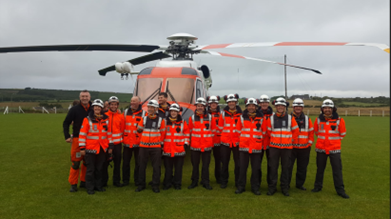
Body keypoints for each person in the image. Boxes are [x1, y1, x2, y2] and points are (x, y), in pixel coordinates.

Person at [311, 99, 349, 199]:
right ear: (322, 109)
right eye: (325, 108)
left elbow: (342, 134)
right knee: (320, 170)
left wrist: (333, 142)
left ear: (333, 109)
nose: (327, 110)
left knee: (337, 171)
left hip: (334, 150)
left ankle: (340, 190)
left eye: (329, 108)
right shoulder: (318, 120)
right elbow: (316, 132)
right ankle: (317, 187)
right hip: (321, 149)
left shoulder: (340, 120)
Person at [79, 99, 113, 195]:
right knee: (90, 169)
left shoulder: (106, 119)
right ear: (93, 108)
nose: (97, 108)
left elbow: (109, 134)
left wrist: (110, 146)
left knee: (99, 169)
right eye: (95, 106)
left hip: (102, 148)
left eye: (99, 107)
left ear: (102, 108)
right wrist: (82, 148)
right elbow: (82, 135)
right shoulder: (87, 119)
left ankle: (98, 186)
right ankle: (90, 187)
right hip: (90, 149)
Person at [266, 97, 299, 196]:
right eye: (278, 106)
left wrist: (289, 140)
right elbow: (268, 132)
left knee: (286, 168)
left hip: (287, 148)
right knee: (273, 168)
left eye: (282, 106)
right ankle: (272, 187)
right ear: (275, 107)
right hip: (274, 148)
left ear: (285, 107)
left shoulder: (290, 118)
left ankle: (284, 188)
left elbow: (296, 131)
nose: (280, 107)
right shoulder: (271, 118)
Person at [235, 98, 266, 195]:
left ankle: (255, 187)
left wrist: (257, 141)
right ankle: (241, 187)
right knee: (242, 168)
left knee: (256, 169)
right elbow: (238, 131)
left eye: (253, 106)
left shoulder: (262, 118)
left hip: (256, 147)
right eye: (249, 106)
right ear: (247, 107)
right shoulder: (241, 118)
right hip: (244, 147)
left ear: (256, 107)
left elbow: (264, 132)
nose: (251, 107)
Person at [63, 90, 91, 192]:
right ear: (80, 98)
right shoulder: (74, 109)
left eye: (86, 96)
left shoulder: (93, 108)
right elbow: (66, 123)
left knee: (87, 162)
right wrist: (67, 136)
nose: (84, 98)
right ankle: (73, 184)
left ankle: (84, 181)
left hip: (90, 139)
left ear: (89, 97)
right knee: (75, 163)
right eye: (83, 96)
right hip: (77, 139)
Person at [135, 100, 166, 193]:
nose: (150, 109)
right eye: (149, 107)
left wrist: (158, 144)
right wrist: (143, 140)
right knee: (141, 166)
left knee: (156, 167)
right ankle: (141, 184)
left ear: (156, 109)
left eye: (152, 108)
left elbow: (163, 134)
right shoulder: (143, 119)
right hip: (143, 146)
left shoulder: (161, 120)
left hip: (155, 147)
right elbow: (139, 130)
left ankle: (155, 185)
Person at [188, 97, 216, 190]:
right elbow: (190, 131)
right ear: (196, 106)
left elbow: (213, 131)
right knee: (195, 165)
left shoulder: (210, 117)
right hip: (195, 146)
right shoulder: (192, 118)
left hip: (207, 146)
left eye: (202, 106)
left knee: (205, 166)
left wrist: (210, 143)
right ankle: (194, 181)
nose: (200, 107)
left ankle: (205, 182)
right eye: (198, 106)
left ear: (205, 107)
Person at [162, 103, 190, 190]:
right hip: (167, 149)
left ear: (178, 112)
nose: (173, 113)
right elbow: (161, 134)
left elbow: (187, 134)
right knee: (168, 169)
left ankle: (177, 184)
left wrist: (185, 144)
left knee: (178, 169)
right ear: (169, 112)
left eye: (175, 111)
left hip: (179, 150)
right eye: (172, 111)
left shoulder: (183, 123)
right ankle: (167, 183)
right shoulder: (164, 122)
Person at [288, 98, 314, 191]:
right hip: (291, 147)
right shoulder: (288, 118)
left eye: (300, 106)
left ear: (302, 107)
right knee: (288, 167)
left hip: (304, 148)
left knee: (302, 168)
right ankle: (286, 184)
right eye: (296, 106)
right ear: (293, 107)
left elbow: (311, 132)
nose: (298, 108)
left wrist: (309, 144)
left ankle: (299, 184)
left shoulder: (307, 119)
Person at [218, 93, 242, 189]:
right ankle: (224, 181)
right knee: (224, 163)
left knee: (238, 164)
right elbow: (220, 128)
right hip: (225, 142)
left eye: (233, 102)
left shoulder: (241, 114)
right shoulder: (223, 114)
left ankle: (237, 182)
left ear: (236, 102)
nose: (231, 103)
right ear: (227, 103)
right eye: (230, 102)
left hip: (237, 142)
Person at [122, 96, 146, 187]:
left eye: (134, 101)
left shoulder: (144, 114)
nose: (132, 103)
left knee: (138, 163)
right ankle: (125, 180)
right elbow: (121, 127)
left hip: (138, 143)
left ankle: (137, 180)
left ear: (139, 102)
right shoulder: (124, 113)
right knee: (125, 163)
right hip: (127, 142)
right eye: (131, 101)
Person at [102, 96, 125, 187]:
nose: (113, 106)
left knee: (117, 164)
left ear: (117, 105)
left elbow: (122, 129)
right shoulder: (104, 116)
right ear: (109, 105)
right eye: (112, 104)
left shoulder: (120, 116)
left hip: (117, 144)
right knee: (105, 163)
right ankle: (104, 182)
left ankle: (116, 181)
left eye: (115, 104)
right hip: (106, 144)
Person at [258, 94, 274, 187]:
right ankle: (257, 183)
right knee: (257, 166)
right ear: (259, 103)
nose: (264, 104)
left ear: (268, 103)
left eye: (266, 102)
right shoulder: (255, 114)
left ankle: (270, 184)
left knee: (271, 166)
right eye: (262, 102)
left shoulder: (273, 115)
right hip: (258, 143)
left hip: (270, 144)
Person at [207, 95, 223, 184]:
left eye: (215, 103)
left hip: (218, 141)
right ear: (209, 104)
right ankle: (205, 178)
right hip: (208, 141)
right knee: (206, 162)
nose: (213, 105)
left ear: (217, 104)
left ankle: (219, 178)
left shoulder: (221, 114)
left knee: (218, 161)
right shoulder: (205, 114)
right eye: (211, 103)